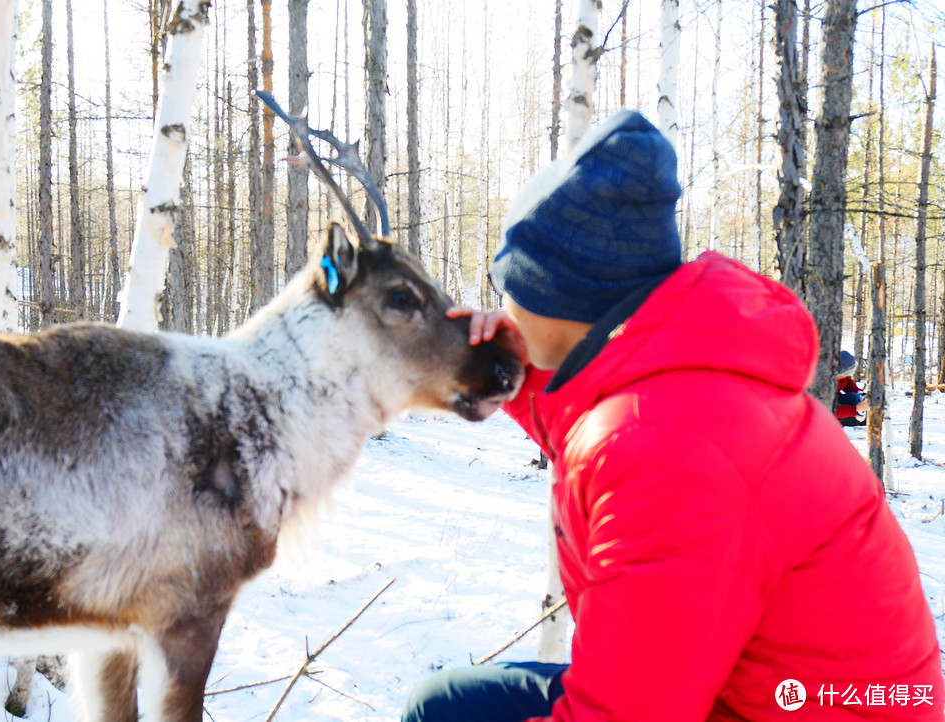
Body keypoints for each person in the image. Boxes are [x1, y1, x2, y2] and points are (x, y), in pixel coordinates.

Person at [401, 111, 942, 721]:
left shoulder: (662, 450)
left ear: (565, 296)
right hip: (764, 691)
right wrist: (519, 376)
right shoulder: (684, 375)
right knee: (445, 705)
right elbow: (601, 409)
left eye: (516, 287)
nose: (507, 305)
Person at [836, 350, 869, 427]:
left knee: (854, 398)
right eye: (845, 373)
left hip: (835, 402)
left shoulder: (842, 378)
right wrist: (855, 409)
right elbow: (827, 410)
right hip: (822, 412)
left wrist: (860, 393)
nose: (847, 375)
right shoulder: (822, 383)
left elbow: (846, 382)